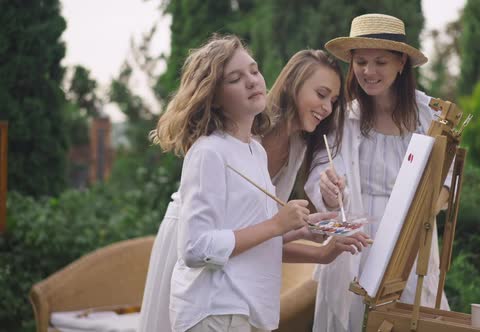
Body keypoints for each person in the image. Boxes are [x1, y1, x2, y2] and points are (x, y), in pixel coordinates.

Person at [139, 35, 366, 332]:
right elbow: (202, 244)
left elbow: (256, 228)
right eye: (321, 94)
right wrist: (281, 227)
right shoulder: (221, 147)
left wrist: (310, 234)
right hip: (213, 283)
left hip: (241, 289)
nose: (326, 107)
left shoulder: (261, 149)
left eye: (254, 71)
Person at [305, 14, 452, 332]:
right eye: (361, 62)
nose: (368, 72)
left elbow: (446, 181)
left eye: (380, 62)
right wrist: (328, 188)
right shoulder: (343, 116)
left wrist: (426, 212)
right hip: (356, 242)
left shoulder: (429, 117)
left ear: (401, 63)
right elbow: (325, 167)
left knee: (408, 318)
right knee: (355, 316)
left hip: (411, 241)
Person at [261, 49, 369, 262]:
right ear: (293, 84)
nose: (328, 108)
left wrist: (306, 228)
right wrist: (320, 252)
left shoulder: (298, 144)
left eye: (334, 100)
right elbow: (232, 236)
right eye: (321, 94)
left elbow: (261, 239)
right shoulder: (249, 132)